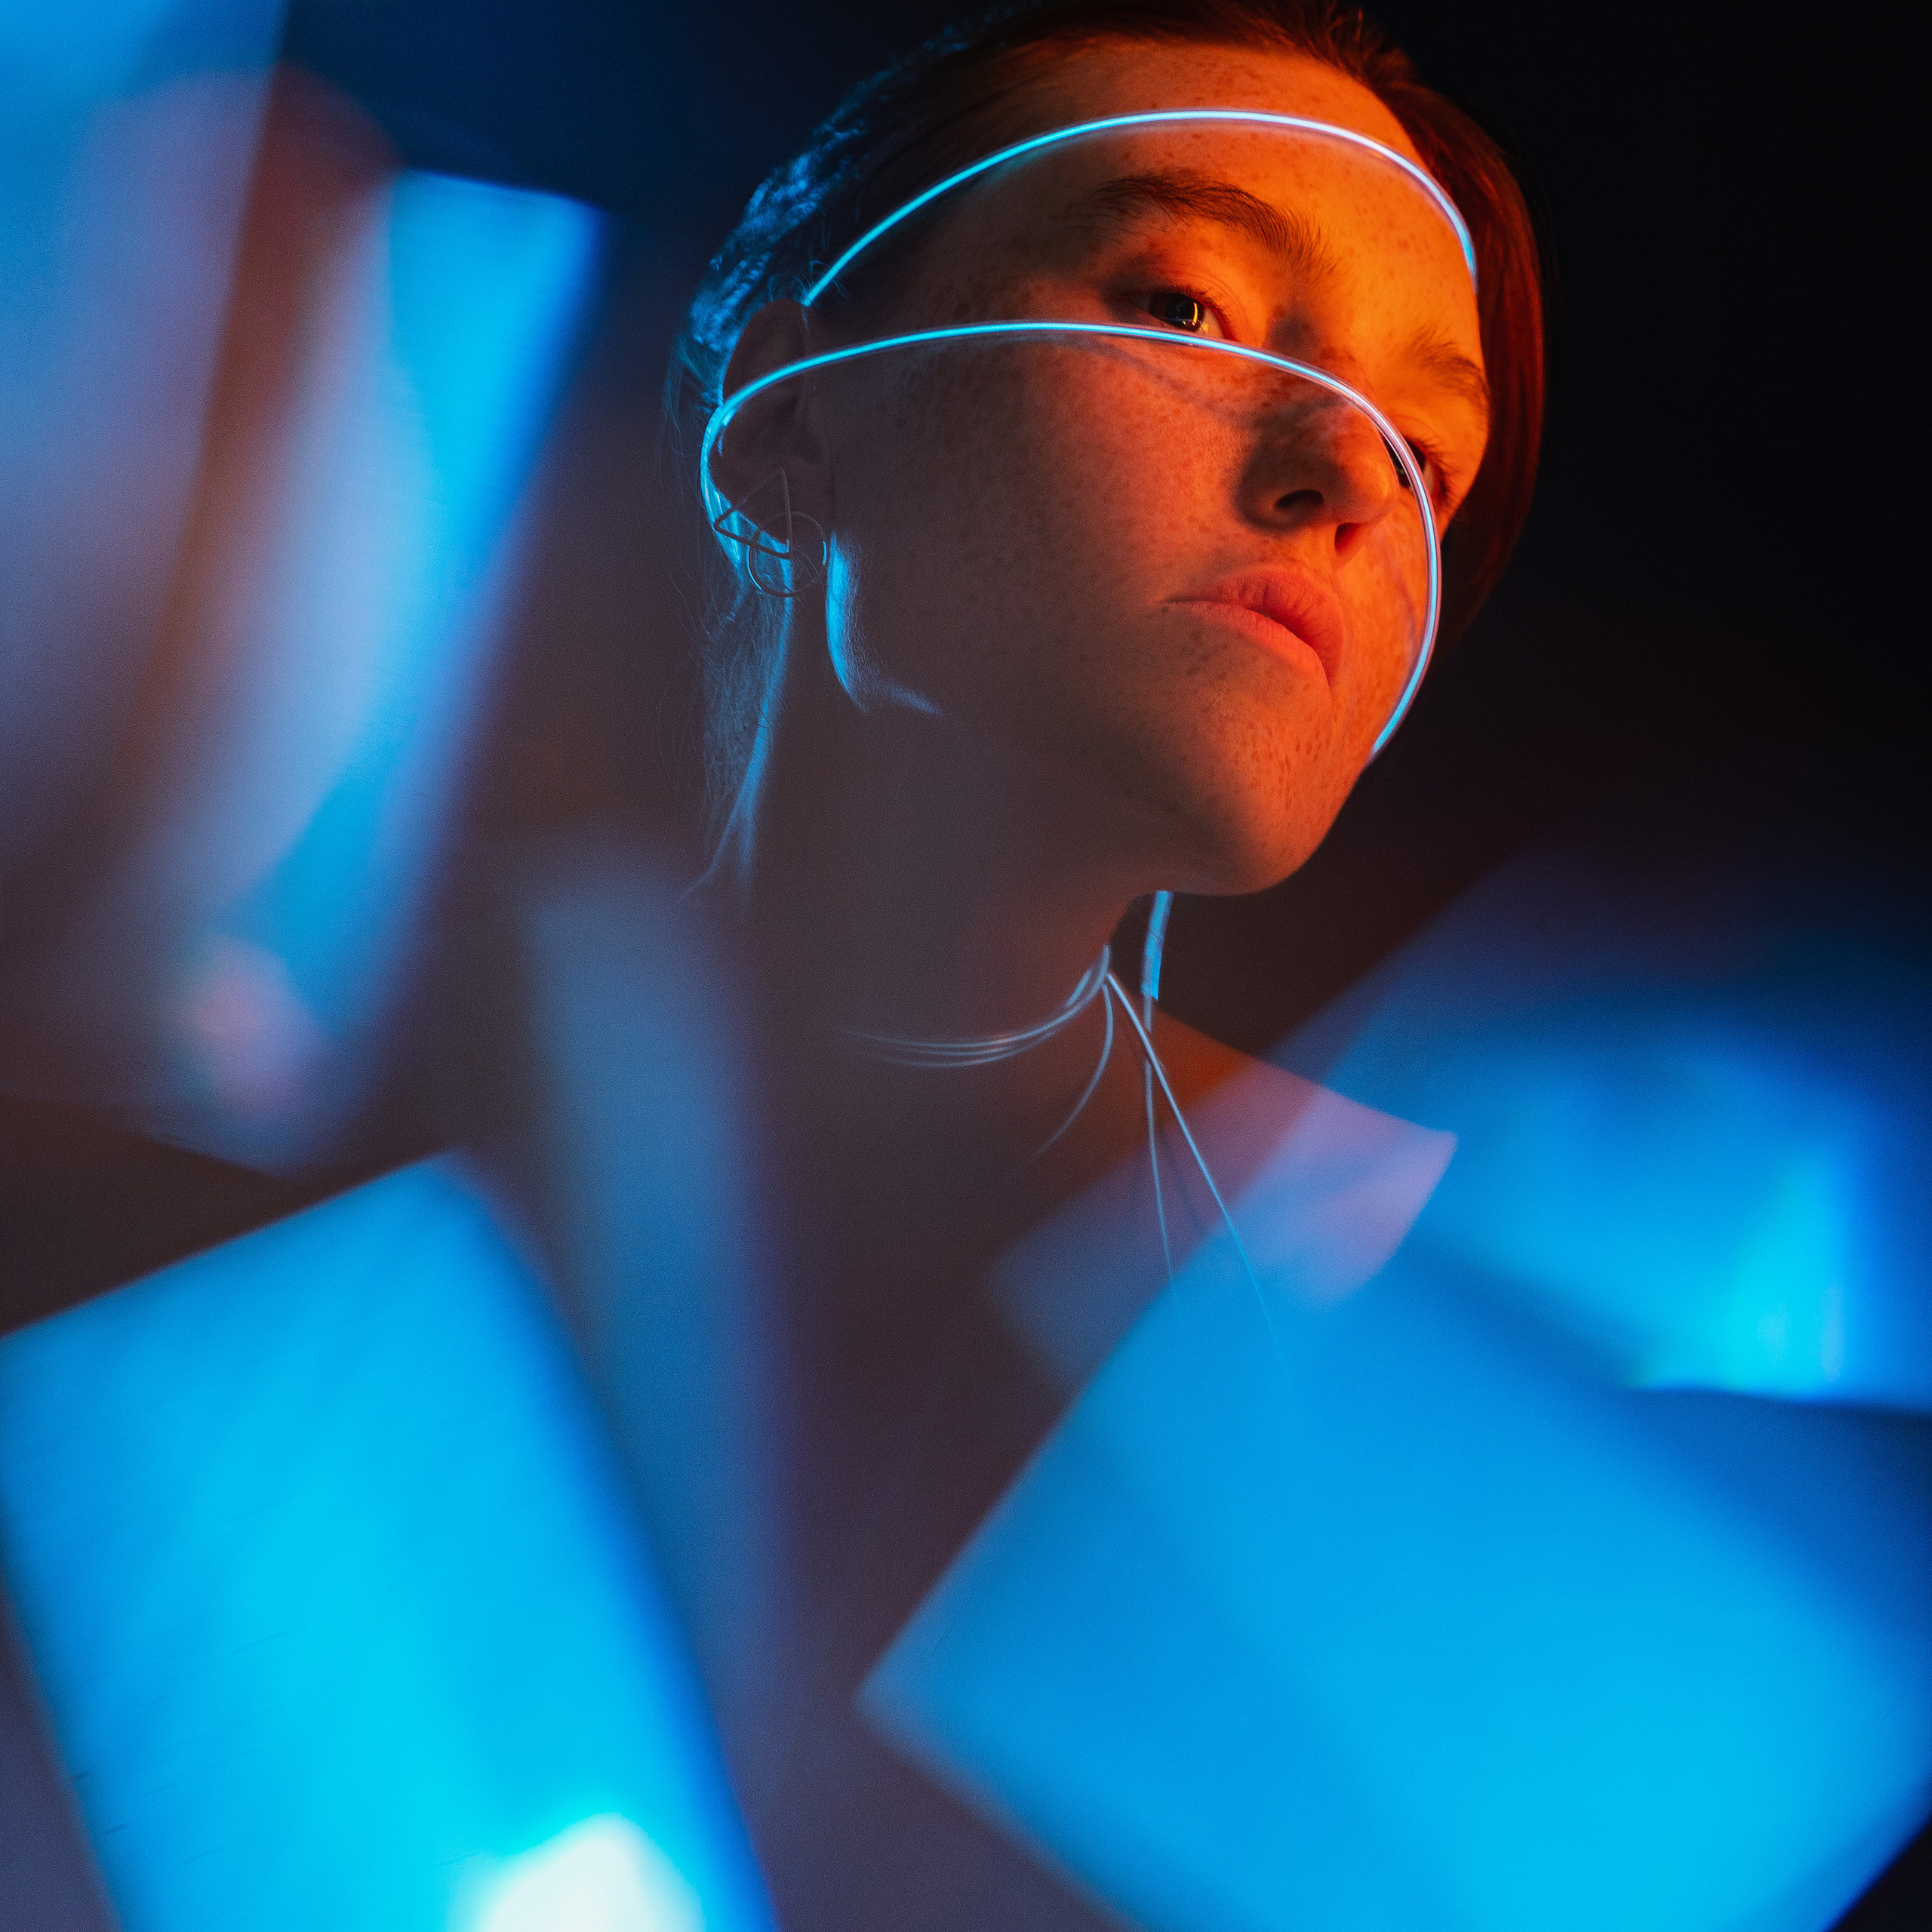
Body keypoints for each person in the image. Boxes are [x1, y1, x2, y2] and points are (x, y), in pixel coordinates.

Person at [658, 3, 1544, 1922]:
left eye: (1428, 445)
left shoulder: (1392, 1309)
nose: (1347, 469)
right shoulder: (268, 1090)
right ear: (797, 401)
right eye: (1189, 305)